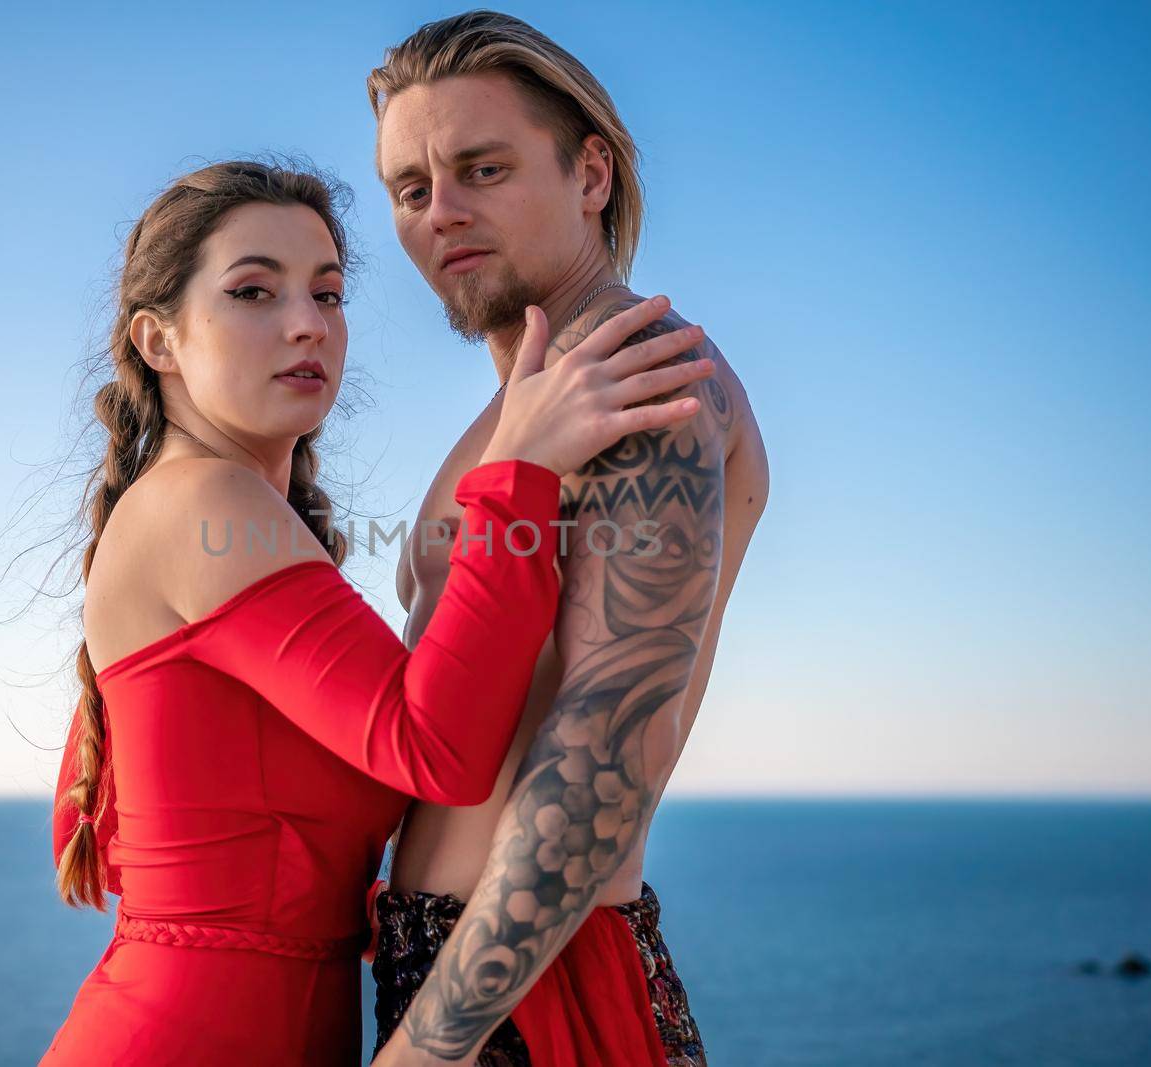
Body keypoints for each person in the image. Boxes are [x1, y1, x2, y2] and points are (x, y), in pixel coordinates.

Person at [38, 159, 716, 1065]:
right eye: (252, 290)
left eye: (327, 292)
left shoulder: (231, 515)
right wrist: (520, 469)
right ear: (159, 340)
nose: (305, 324)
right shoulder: (198, 503)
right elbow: (433, 744)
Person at [365, 12, 772, 1067]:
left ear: (590, 173)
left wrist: (427, 1048)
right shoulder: (523, 408)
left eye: (481, 169)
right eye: (411, 190)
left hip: (533, 986)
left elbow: (604, 748)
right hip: (456, 977)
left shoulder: (646, 378)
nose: (440, 214)